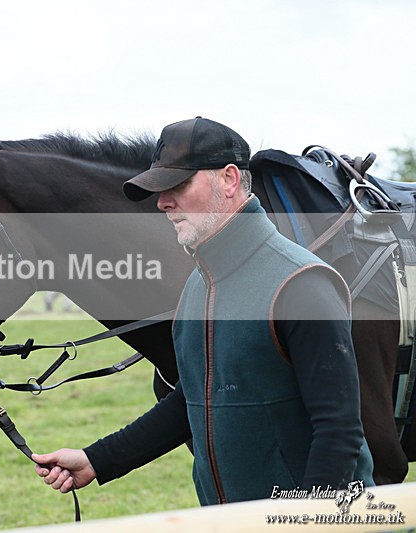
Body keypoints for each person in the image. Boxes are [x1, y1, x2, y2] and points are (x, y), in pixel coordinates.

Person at [33, 117, 374, 504]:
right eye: (159, 190)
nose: (162, 202)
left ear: (229, 180)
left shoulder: (301, 284)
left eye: (177, 185)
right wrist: (96, 460)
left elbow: (339, 432)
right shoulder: (198, 286)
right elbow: (192, 399)